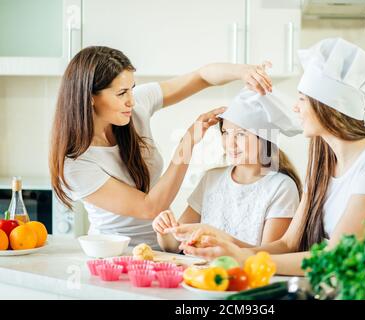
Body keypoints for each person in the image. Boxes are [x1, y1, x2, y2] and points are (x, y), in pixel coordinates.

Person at [170, 38, 365, 275]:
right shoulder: (323, 165)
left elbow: (336, 257)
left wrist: (243, 258)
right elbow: (288, 245)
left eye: (302, 99)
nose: (295, 107)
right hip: (343, 288)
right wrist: (226, 247)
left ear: (329, 106)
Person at [49, 46, 273, 247]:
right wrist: (188, 143)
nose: (132, 100)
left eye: (132, 89)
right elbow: (150, 207)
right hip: (117, 254)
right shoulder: (75, 163)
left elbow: (201, 76)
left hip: (163, 246)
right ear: (90, 97)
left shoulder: (132, 110)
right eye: (121, 93)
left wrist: (243, 72)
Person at [152, 89, 303, 252]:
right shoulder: (211, 178)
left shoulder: (281, 187)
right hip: (200, 274)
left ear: (265, 138)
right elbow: (173, 246)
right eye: (225, 133)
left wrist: (220, 240)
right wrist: (164, 229)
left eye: (241, 134)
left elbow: (270, 255)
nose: (230, 143)